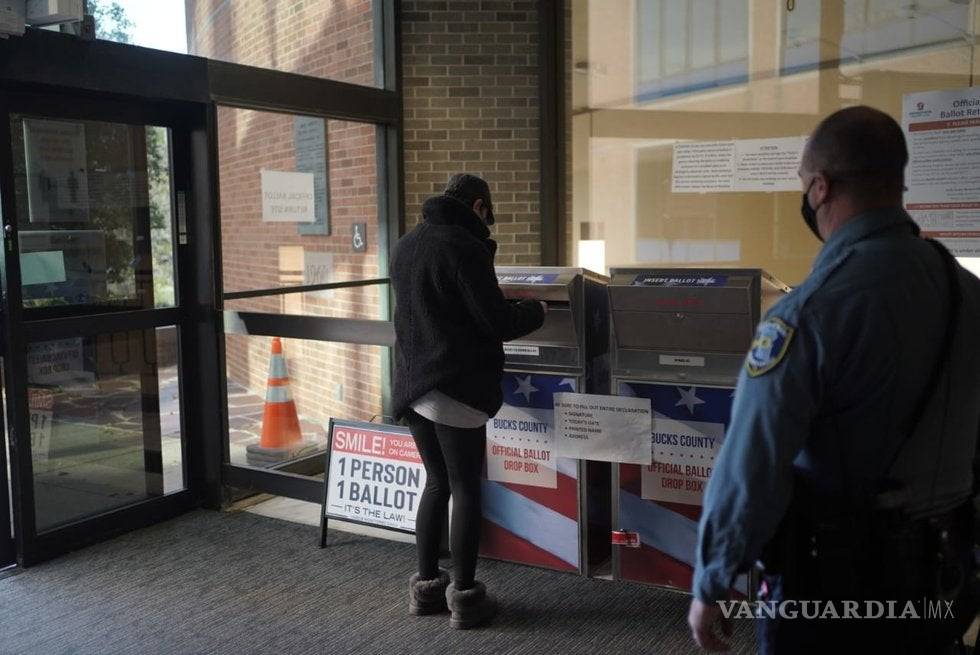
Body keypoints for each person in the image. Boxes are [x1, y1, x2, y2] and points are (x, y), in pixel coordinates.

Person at [688, 106, 980, 653]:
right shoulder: (966, 292)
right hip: (948, 574)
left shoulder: (811, 313)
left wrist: (713, 579)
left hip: (839, 587)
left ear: (819, 188)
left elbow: (754, 460)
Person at [391, 173, 546, 629]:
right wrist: (536, 310)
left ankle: (425, 590)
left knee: (436, 484)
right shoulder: (464, 248)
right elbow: (495, 320)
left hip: (413, 386)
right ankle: (465, 597)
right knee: (465, 488)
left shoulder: (406, 244)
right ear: (479, 207)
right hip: (455, 386)